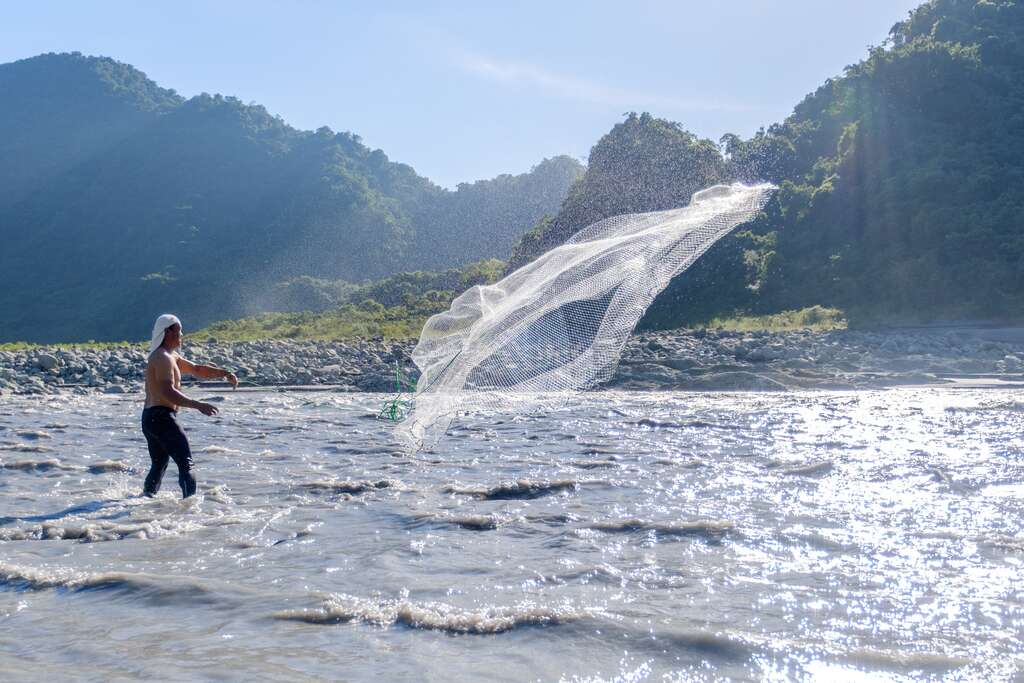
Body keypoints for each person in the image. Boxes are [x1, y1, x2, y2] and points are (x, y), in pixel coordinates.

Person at [142, 314, 238, 498]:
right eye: (179, 331)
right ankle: (190, 509)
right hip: (161, 417)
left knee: (159, 463)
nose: (181, 335)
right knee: (187, 464)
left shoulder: (171, 356)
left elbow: (196, 369)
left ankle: (145, 499)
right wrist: (198, 405)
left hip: (150, 419)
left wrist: (225, 373)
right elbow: (167, 391)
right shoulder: (162, 358)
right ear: (168, 331)